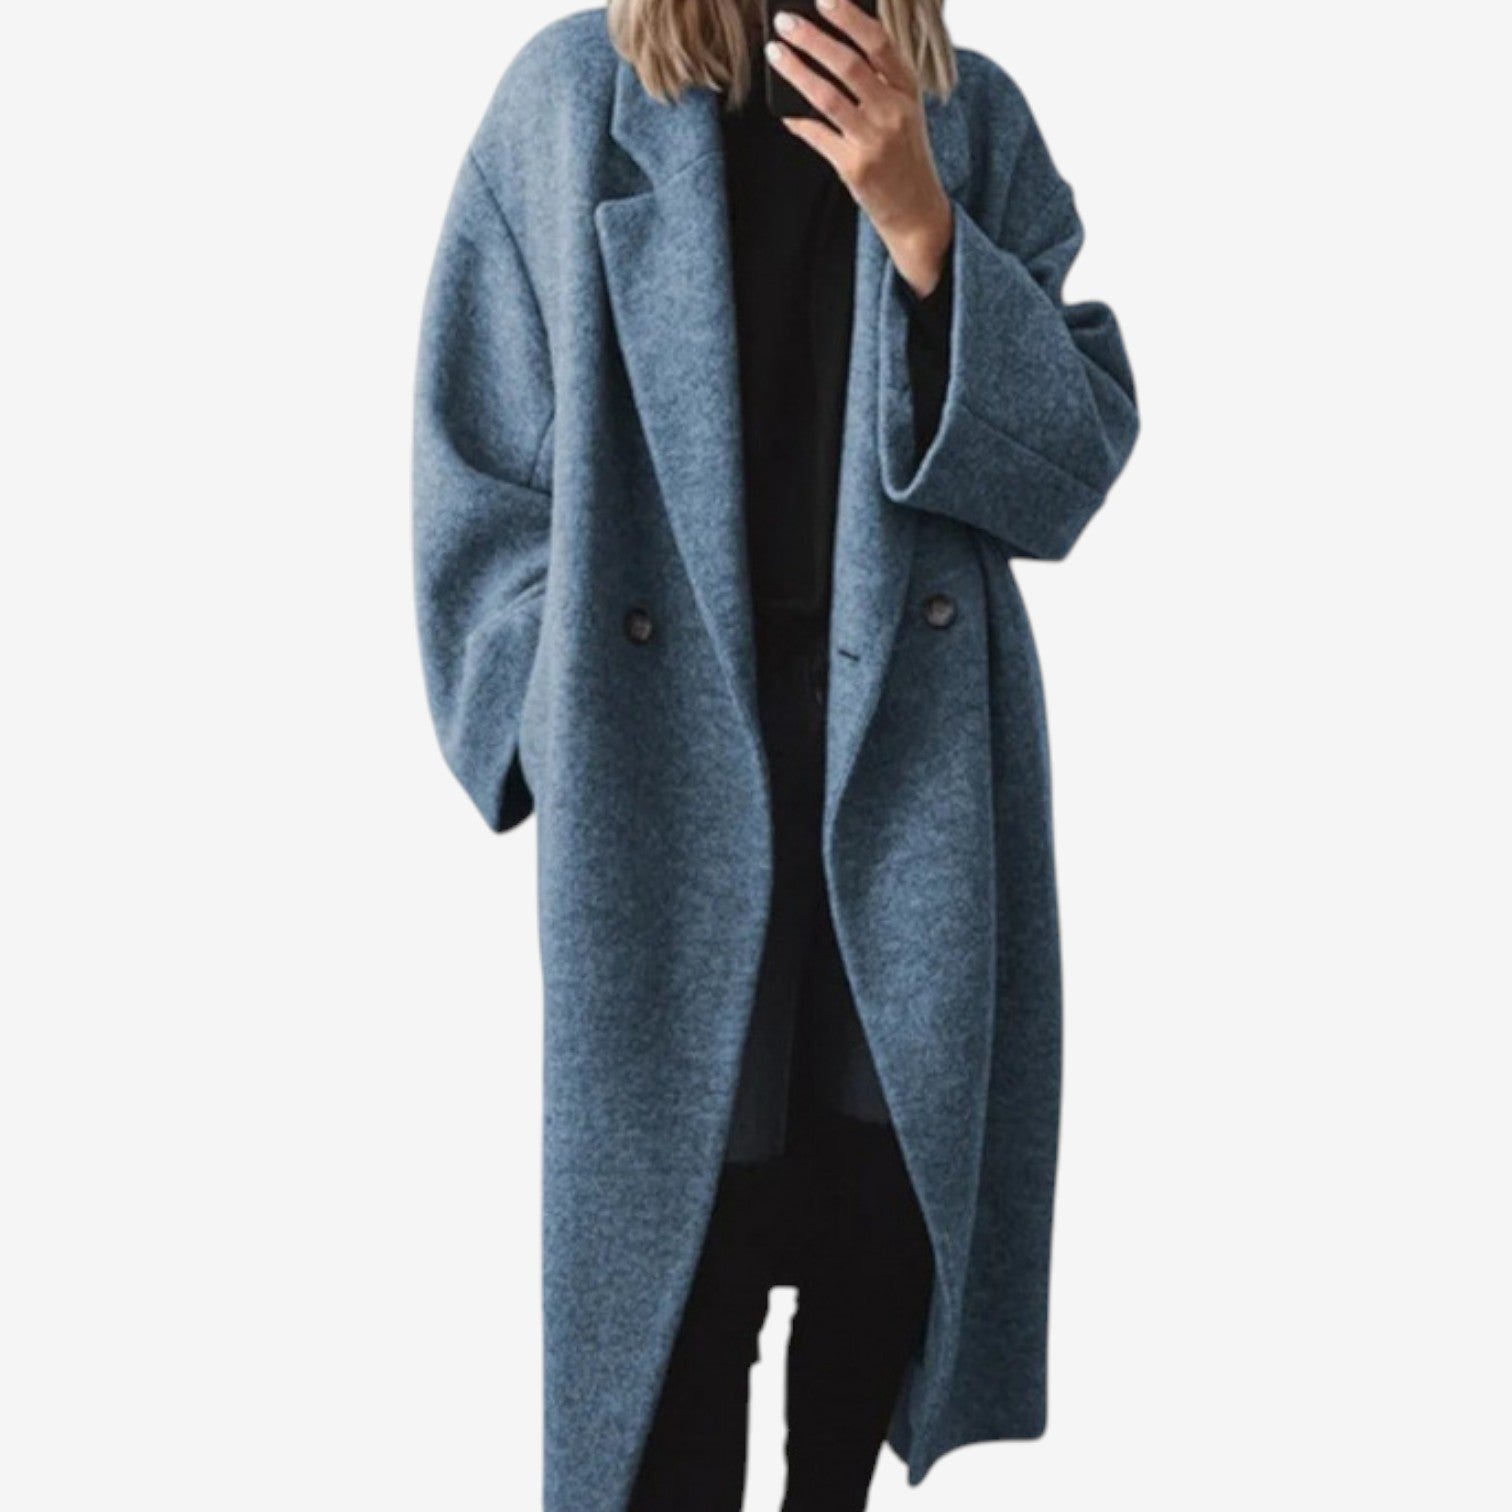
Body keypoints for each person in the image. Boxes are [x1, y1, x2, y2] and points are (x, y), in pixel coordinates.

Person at [411, 2, 1139, 1508]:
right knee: (671, 1312)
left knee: (877, 1247)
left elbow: (1070, 467)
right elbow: (474, 463)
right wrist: (552, 715)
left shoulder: (966, 115)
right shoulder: (570, 105)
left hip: (904, 786)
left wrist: (925, 227)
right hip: (668, 789)